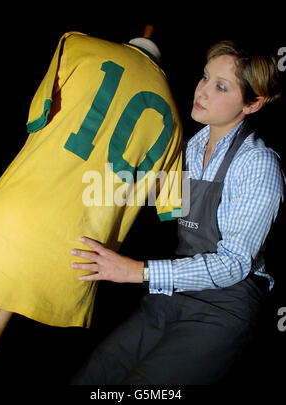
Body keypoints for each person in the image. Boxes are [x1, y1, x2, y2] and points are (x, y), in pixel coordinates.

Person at [69, 40, 285, 385]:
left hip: (227, 306)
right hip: (174, 293)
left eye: (221, 86)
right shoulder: (191, 145)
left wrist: (133, 272)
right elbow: (151, 195)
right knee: (97, 372)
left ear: (253, 103)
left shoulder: (258, 164)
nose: (202, 90)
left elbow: (233, 264)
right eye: (204, 77)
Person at [0, 30, 183, 356]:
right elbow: (172, 208)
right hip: (75, 259)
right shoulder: (175, 123)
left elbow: (35, 118)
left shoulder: (75, 44)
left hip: (12, 222)